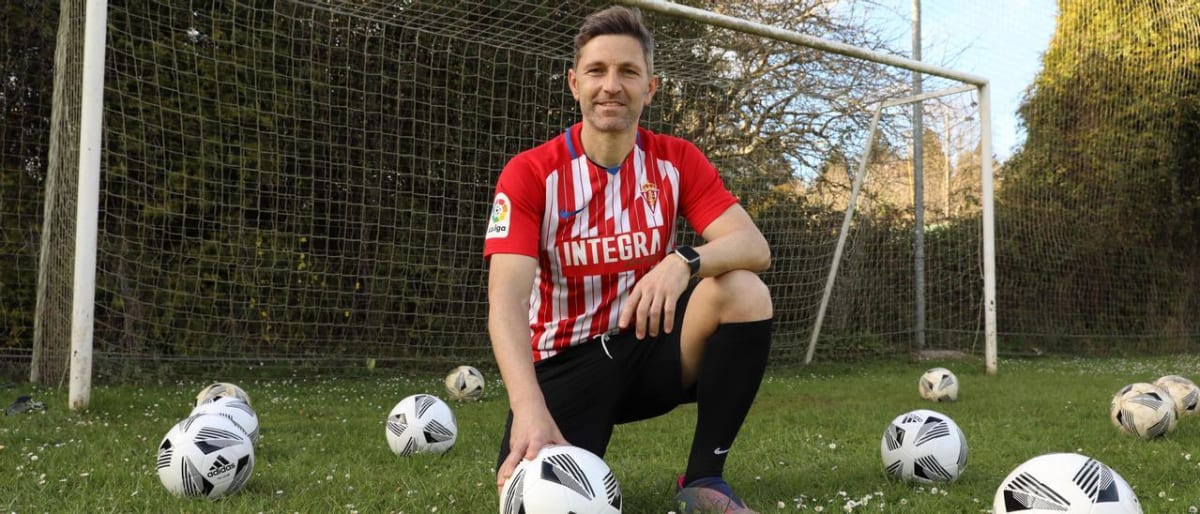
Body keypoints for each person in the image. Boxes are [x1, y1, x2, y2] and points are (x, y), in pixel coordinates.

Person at [483, 5, 773, 513]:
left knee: (744, 290)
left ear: (651, 87)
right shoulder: (530, 174)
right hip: (563, 363)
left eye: (628, 72)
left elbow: (753, 246)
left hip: (645, 346)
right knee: (529, 498)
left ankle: (705, 480)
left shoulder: (676, 159)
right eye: (597, 71)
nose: (611, 85)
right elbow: (505, 301)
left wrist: (681, 261)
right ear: (575, 83)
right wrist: (527, 408)